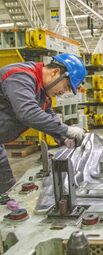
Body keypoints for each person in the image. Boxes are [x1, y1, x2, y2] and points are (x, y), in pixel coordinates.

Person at [0, 53, 87, 194]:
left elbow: (48, 114)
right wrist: (66, 130)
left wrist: (62, 137)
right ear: (55, 73)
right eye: (66, 87)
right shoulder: (20, 76)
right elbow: (28, 113)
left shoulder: (42, 91)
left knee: (7, 191)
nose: (63, 92)